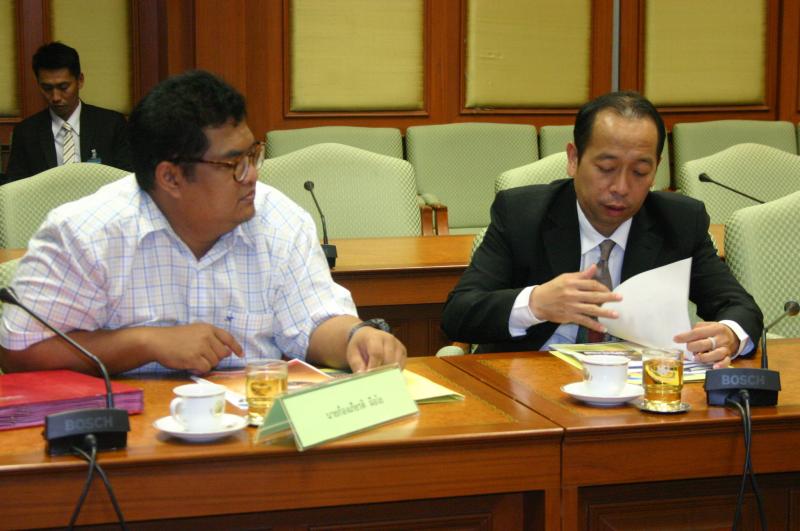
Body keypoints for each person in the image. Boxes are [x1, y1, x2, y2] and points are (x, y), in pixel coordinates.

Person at [0, 70, 406, 375]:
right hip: (127, 441)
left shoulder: (279, 219)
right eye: (233, 164)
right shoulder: (86, 233)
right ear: (171, 178)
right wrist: (144, 342)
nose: (252, 175)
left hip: (254, 433)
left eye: (253, 155)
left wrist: (357, 337)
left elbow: (315, 321)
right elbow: (18, 351)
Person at [441, 91, 762, 369]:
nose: (621, 187)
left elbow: (740, 307)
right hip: (531, 382)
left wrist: (731, 335)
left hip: (639, 392)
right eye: (606, 168)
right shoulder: (522, 214)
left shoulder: (679, 221)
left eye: (640, 172)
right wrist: (535, 303)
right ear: (573, 159)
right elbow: (459, 313)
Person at [3, 42, 132, 183]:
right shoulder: (26, 133)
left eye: (63, 87)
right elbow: (14, 187)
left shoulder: (111, 125)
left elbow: (127, 180)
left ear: (80, 81)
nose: (55, 97)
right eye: (47, 88)